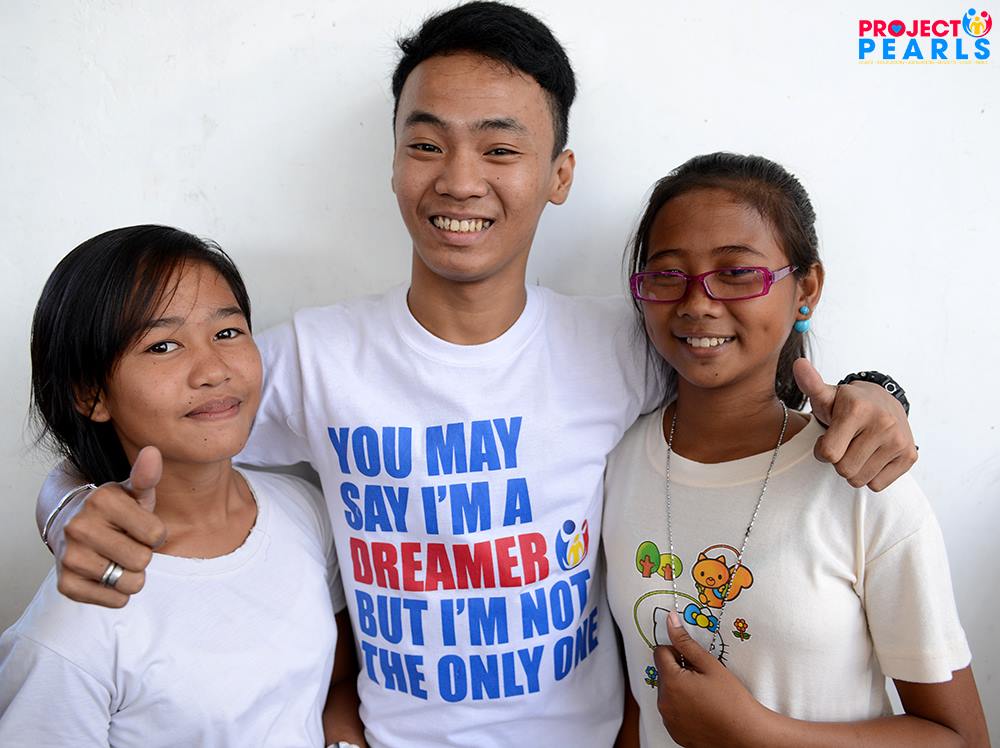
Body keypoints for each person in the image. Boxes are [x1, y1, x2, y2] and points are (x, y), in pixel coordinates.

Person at [32, 4, 918, 746]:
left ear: (558, 175)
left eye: (499, 149)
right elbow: (142, 425)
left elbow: (747, 375)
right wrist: (68, 508)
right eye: (427, 145)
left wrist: (880, 392)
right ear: (393, 163)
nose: (460, 181)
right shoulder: (312, 357)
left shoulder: (621, 344)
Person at [603, 153, 990, 747]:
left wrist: (757, 733)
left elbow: (959, 736)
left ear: (805, 289)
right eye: (667, 274)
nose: (697, 303)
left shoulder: (862, 481)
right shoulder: (617, 465)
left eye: (737, 272)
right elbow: (638, 697)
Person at [0, 226, 364, 747]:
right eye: (163, 345)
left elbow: (333, 684)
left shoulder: (303, 509)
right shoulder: (69, 629)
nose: (213, 370)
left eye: (227, 332)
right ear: (90, 393)